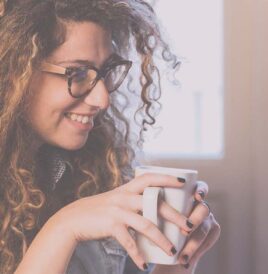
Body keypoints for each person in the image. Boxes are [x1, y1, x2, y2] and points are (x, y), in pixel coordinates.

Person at [0, 0, 221, 273]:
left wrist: (176, 259)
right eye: (77, 73)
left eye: (104, 72)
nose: (103, 99)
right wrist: (64, 227)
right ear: (13, 73)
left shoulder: (99, 171)